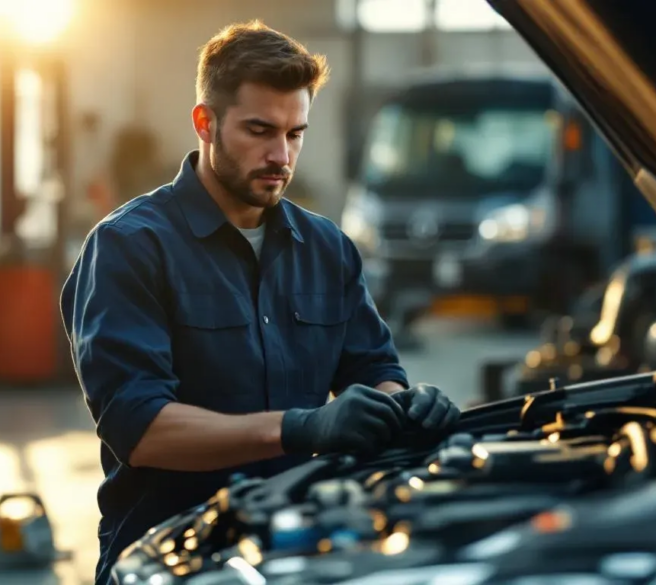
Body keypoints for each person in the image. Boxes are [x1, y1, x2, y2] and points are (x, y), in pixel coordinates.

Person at [60, 20, 461, 584]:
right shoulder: (129, 247)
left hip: (297, 555)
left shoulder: (327, 248)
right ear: (206, 122)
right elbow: (141, 428)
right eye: (259, 130)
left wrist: (405, 407)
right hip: (169, 561)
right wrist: (301, 428)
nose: (281, 155)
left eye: (295, 133)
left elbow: (372, 370)